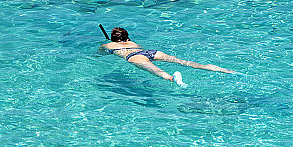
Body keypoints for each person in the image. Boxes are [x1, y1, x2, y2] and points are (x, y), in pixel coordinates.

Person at [99, 26, 235, 87]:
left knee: (156, 71)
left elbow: (99, 54)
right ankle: (223, 70)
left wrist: (106, 46)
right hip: (150, 52)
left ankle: (173, 79)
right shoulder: (133, 42)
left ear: (112, 38)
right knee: (183, 62)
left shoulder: (108, 45)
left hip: (134, 56)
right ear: (127, 36)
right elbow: (138, 48)